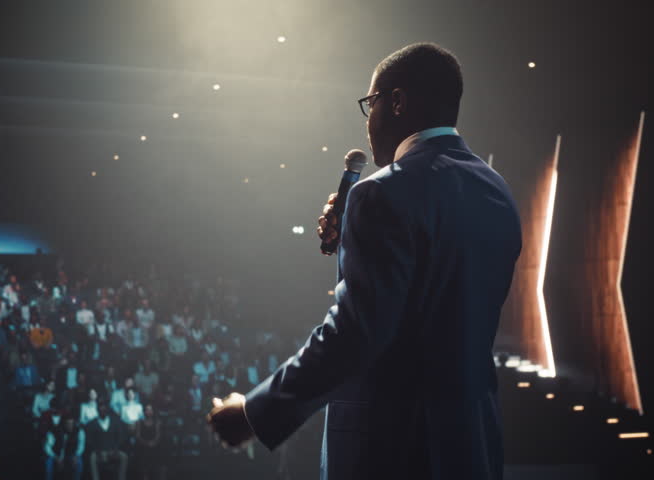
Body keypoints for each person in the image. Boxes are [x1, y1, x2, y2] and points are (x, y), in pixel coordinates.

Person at [207, 42, 522, 479]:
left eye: (369, 103)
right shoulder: (496, 191)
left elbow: (358, 332)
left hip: (391, 450)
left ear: (396, 102)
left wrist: (254, 412)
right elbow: (435, 292)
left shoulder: (381, 193)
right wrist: (356, 233)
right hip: (470, 446)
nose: (367, 120)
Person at [87, 404, 128, 480]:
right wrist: (97, 451)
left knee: (124, 456)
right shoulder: (92, 424)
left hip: (113, 451)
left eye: (104, 410)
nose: (102, 412)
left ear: (107, 411)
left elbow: (120, 437)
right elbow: (90, 441)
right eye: (100, 410)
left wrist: (115, 450)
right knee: (92, 457)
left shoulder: (115, 422)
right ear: (97, 411)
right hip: (99, 452)